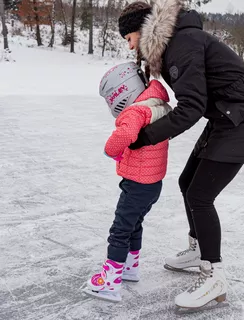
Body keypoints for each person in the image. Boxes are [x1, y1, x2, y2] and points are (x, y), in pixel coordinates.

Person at [118, 0, 244, 311]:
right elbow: (195, 100)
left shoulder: (181, 45)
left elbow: (190, 107)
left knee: (201, 195)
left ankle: (214, 277)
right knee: (188, 182)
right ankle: (197, 248)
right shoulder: (174, 43)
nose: (129, 44)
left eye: (128, 37)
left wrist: (145, 137)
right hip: (227, 116)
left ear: (141, 30)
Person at [83, 61, 172, 302]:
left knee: (120, 229)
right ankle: (130, 268)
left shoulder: (135, 111)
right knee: (135, 224)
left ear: (121, 91)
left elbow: (125, 134)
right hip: (153, 184)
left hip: (136, 184)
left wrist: (111, 150)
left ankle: (109, 282)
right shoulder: (156, 105)